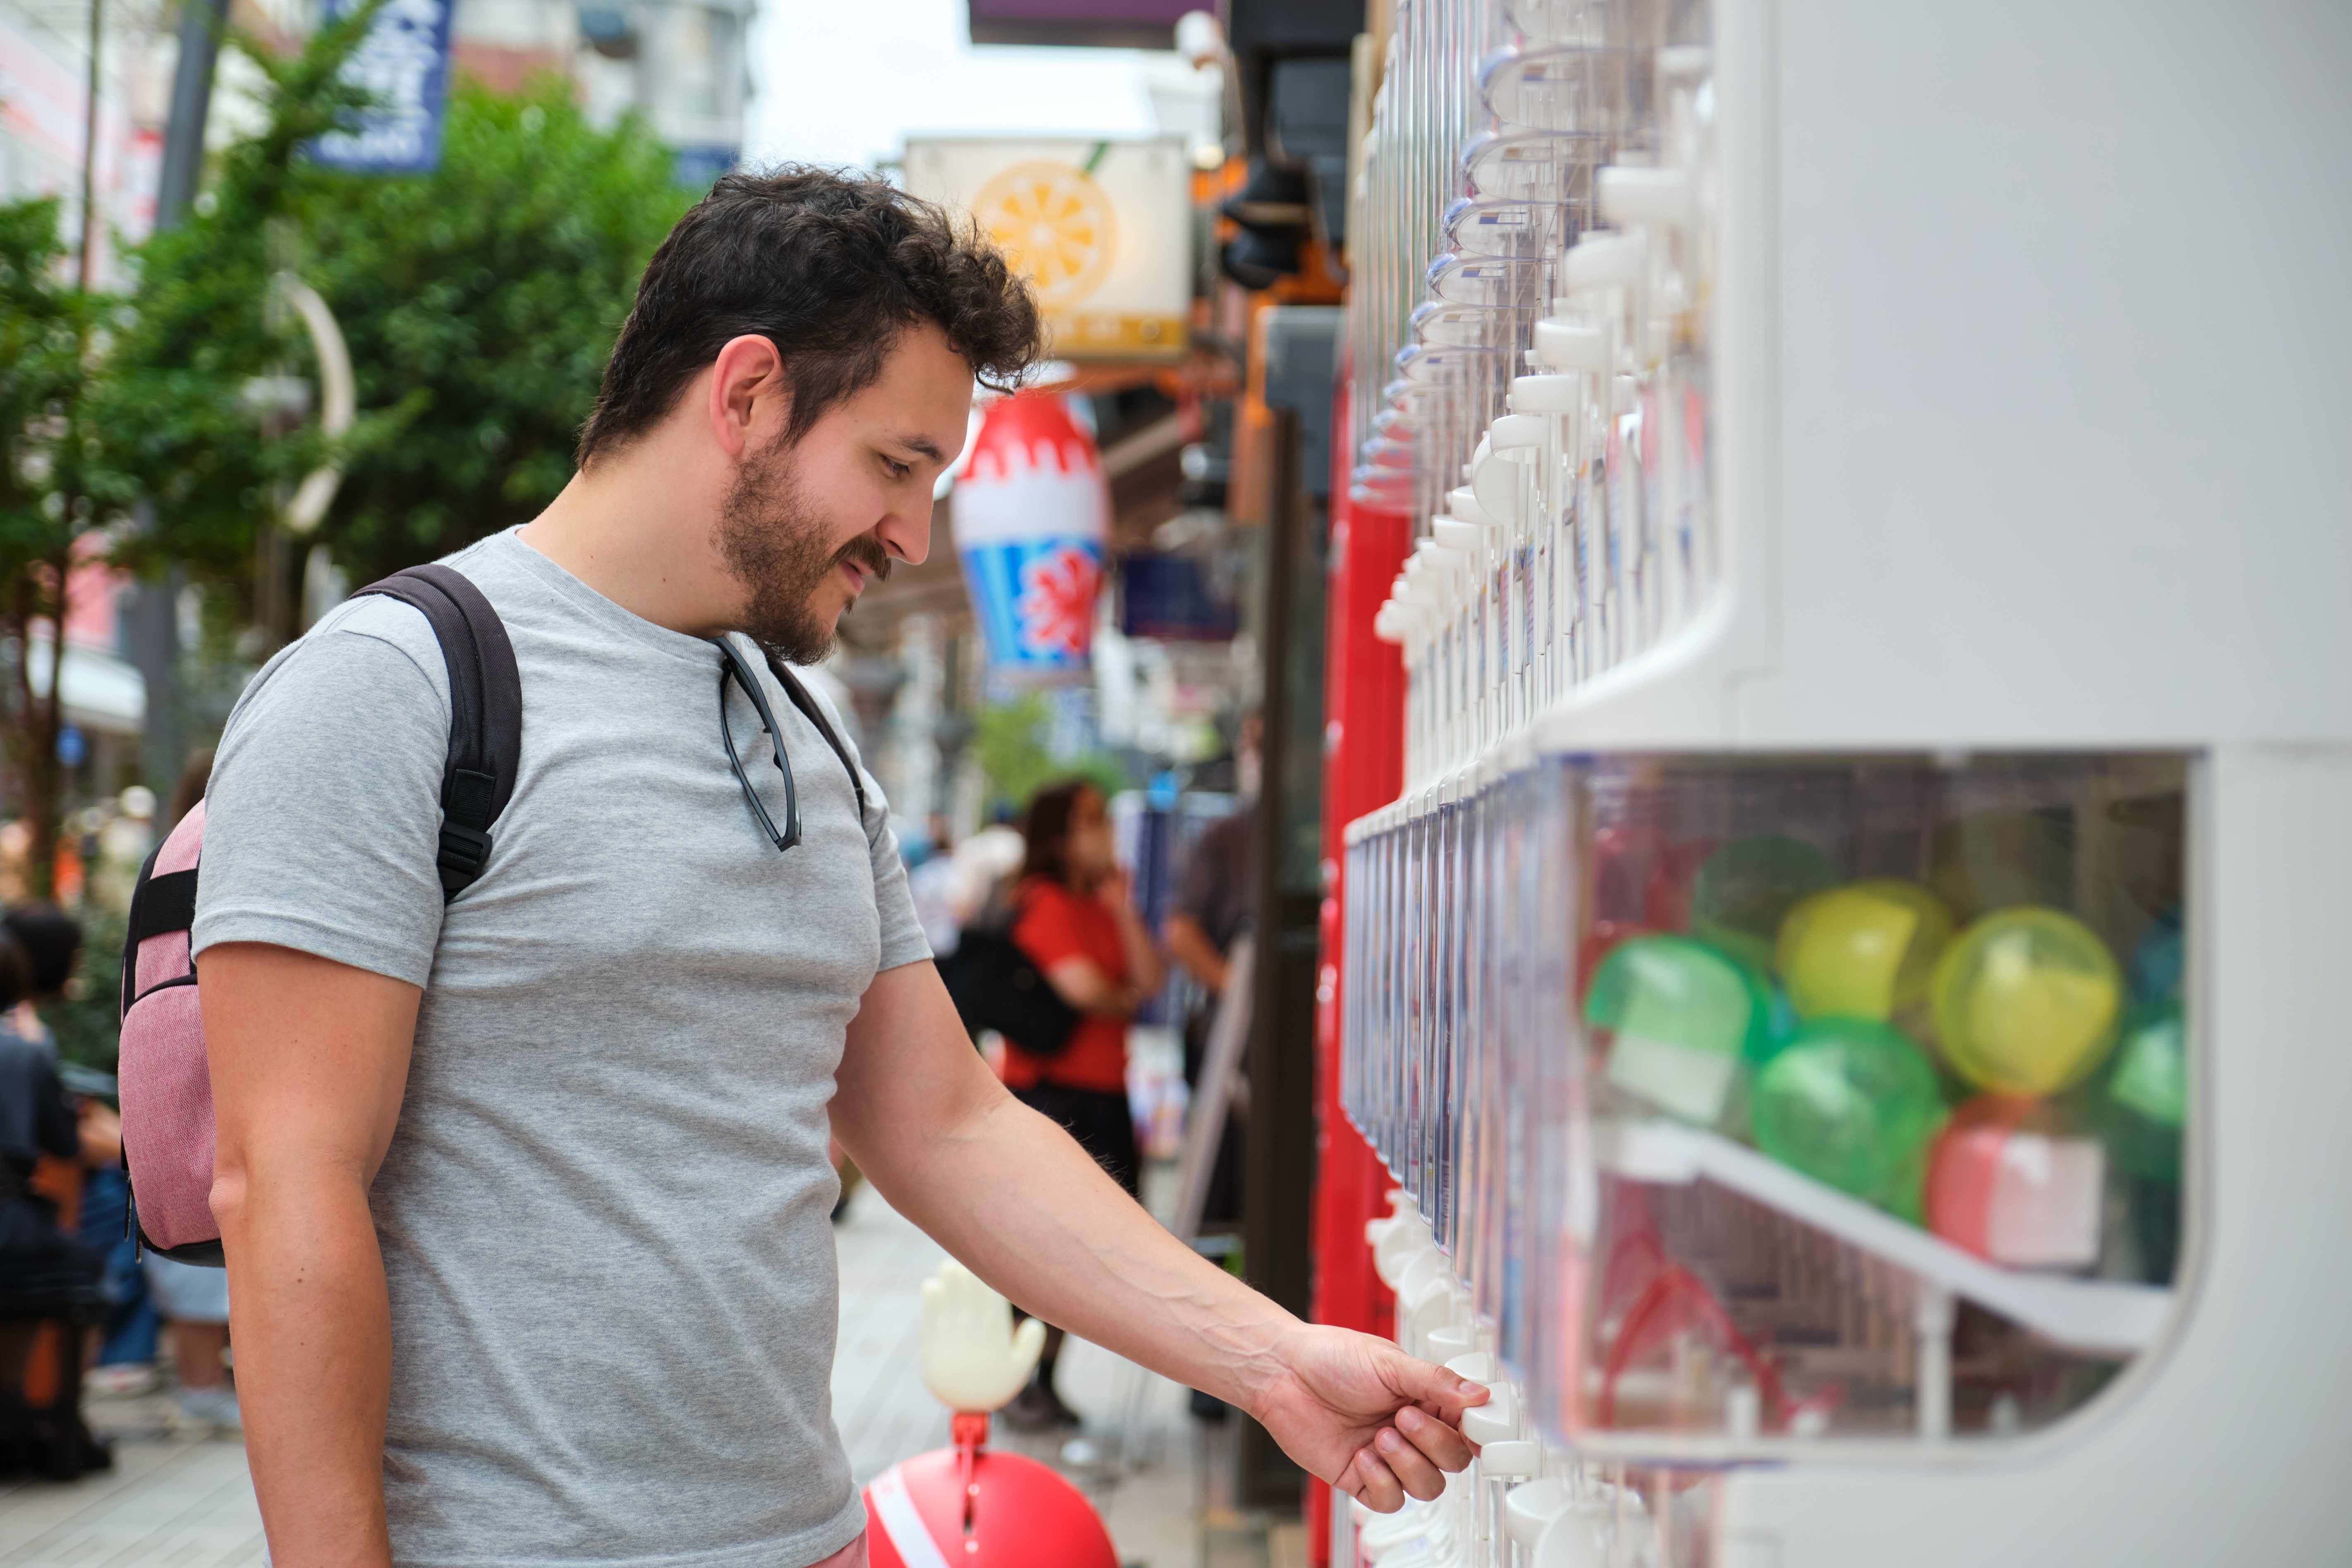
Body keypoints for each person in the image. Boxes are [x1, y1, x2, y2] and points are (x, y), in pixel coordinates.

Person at [198, 167, 1482, 1568]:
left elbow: (943, 1123)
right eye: (895, 464)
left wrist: (1272, 1360)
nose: (911, 534)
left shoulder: (799, 717)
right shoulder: (394, 686)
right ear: (746, 395)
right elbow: (285, 1179)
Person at [995, 778, 1165, 1429]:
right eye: (1092, 820)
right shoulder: (1041, 901)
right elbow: (1085, 990)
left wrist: (1122, 908)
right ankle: (1017, 1376)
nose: (1104, 832)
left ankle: (1044, 1376)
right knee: (1039, 1244)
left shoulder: (1099, 903)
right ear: (1060, 835)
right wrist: (1119, 997)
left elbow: (1147, 981)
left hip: (1106, 1093)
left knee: (1087, 1250)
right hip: (1050, 1097)